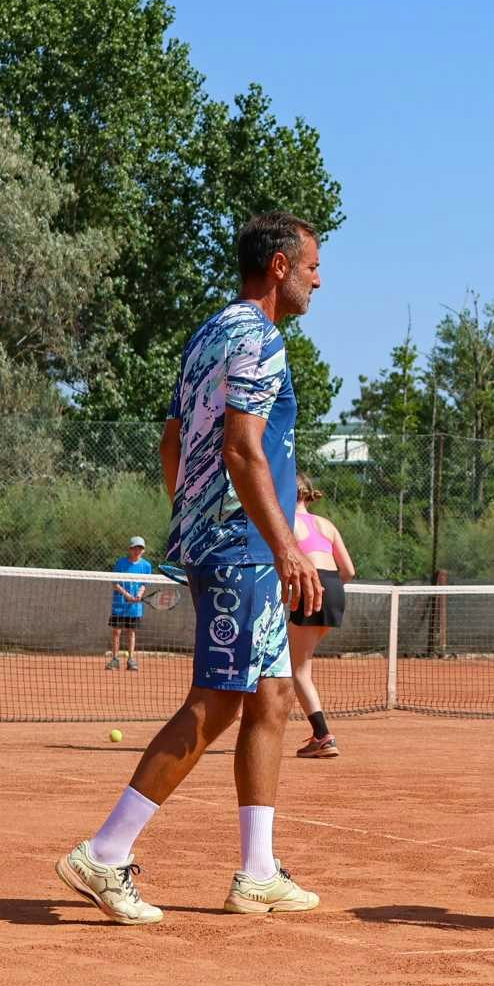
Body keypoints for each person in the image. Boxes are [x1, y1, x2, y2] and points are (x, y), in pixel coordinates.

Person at [57, 212, 326, 925]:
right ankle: (105, 853)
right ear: (277, 267)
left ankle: (257, 871)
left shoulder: (208, 334)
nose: (317, 280)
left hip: (228, 541)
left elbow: (171, 443)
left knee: (270, 697)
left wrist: (187, 523)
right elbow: (242, 450)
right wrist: (283, 543)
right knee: (215, 702)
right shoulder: (259, 339)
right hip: (244, 546)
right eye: (310, 267)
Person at [289, 475, 356, 759]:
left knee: (299, 670)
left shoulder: (285, 524)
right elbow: (349, 571)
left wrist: (304, 590)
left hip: (310, 587)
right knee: (294, 660)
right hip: (334, 590)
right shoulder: (326, 525)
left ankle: (323, 736)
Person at [108, 536, 155, 670]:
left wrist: (139, 594)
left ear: (143, 550)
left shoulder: (146, 566)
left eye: (140, 548)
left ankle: (131, 660)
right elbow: (115, 583)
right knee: (116, 631)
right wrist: (127, 595)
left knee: (131, 632)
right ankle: (115, 660)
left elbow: (144, 584)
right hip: (119, 604)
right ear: (130, 549)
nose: (137, 550)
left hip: (135, 607)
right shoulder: (121, 563)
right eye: (135, 548)